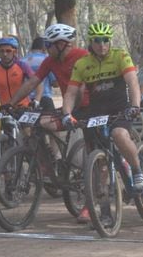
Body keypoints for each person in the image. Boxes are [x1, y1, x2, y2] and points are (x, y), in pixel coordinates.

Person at [10, 23, 92, 221]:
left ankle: (91, 205)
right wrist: (11, 103)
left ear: (63, 44)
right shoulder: (51, 60)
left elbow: (84, 87)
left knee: (93, 152)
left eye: (50, 45)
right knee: (41, 122)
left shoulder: (82, 56)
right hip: (68, 109)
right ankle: (50, 163)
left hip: (90, 108)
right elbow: (32, 82)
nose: (47, 49)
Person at [62, 21, 143, 192]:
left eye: (105, 40)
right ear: (91, 42)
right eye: (97, 40)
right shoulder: (82, 63)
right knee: (99, 159)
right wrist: (66, 114)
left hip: (120, 109)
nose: (102, 45)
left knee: (119, 134)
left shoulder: (120, 56)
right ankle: (103, 200)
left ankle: (137, 170)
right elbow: (70, 93)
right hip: (97, 112)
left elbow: (132, 82)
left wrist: (135, 106)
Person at [0, 36, 34, 108]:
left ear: (14, 52)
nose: (5, 54)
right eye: (1, 51)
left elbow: (37, 83)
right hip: (3, 109)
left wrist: (36, 101)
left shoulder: (22, 66)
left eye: (8, 51)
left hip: (23, 107)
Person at [23, 36, 53, 107]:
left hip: (26, 100)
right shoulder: (47, 59)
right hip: (44, 98)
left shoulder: (22, 61)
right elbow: (54, 82)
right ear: (44, 48)